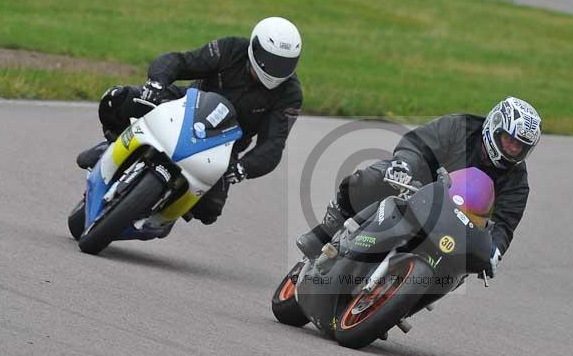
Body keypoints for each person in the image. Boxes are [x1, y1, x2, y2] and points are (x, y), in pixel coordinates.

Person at [76, 17, 303, 224]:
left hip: (225, 144)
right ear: (255, 48)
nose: (275, 70)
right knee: (116, 100)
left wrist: (243, 168)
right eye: (270, 60)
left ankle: (160, 207)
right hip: (184, 106)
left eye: (284, 64)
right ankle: (112, 145)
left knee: (209, 210)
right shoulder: (231, 49)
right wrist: (157, 83)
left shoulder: (290, 94)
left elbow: (273, 145)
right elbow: (181, 61)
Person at [296, 96, 542, 278]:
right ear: (495, 127)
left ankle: (398, 302)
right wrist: (404, 165)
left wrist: (494, 251)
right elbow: (419, 144)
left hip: (456, 224)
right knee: (376, 177)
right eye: (509, 140)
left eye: (519, 146)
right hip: (417, 187)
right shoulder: (460, 127)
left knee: (465, 267)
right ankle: (327, 230)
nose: (512, 149)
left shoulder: (517, 181)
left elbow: (505, 225)